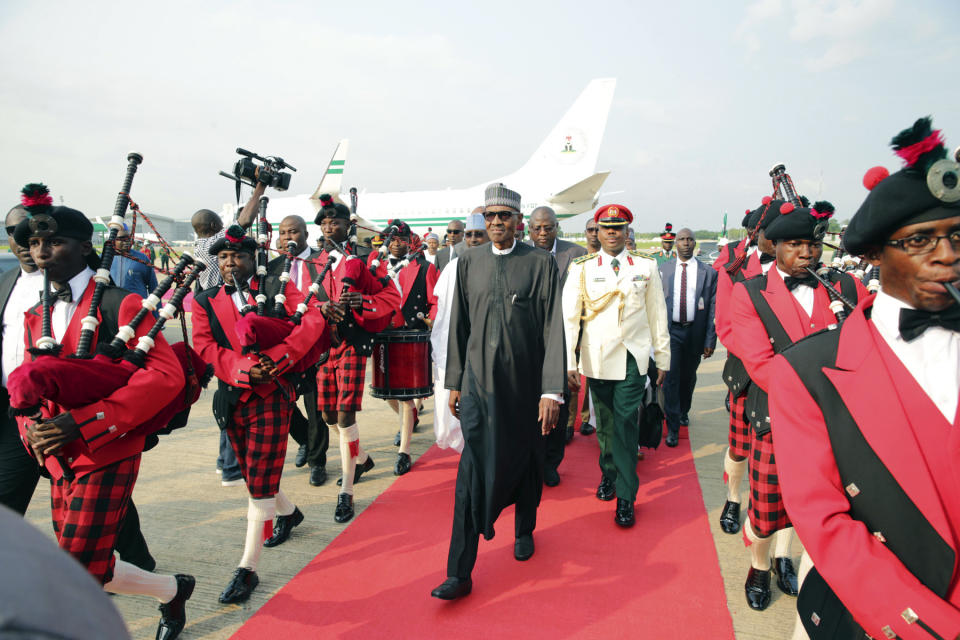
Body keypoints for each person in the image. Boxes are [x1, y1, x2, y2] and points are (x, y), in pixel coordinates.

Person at [772, 116, 960, 639]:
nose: (947, 255)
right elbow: (825, 520)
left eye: (959, 235)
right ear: (875, 253)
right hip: (882, 617)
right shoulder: (808, 372)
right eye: (921, 239)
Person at [13, 197, 194, 640]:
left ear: (84, 248)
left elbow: (165, 379)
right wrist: (32, 429)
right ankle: (171, 590)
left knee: (75, 570)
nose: (41, 251)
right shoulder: (33, 314)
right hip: (57, 455)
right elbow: (29, 386)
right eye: (35, 243)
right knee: (89, 561)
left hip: (107, 448)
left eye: (55, 242)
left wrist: (85, 422)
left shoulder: (120, 302)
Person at [729, 197, 865, 611]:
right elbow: (761, 366)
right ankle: (760, 565)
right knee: (769, 506)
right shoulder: (750, 293)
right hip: (779, 418)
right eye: (795, 245)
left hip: (836, 422)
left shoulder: (843, 285)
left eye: (812, 244)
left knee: (820, 506)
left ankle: (786, 558)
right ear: (775, 245)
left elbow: (863, 348)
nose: (806, 253)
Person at [431, 183, 565, 601]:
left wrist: (551, 391)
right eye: (488, 217)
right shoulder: (467, 263)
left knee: (526, 463)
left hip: (525, 390)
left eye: (503, 217)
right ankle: (459, 572)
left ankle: (524, 529)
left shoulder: (541, 263)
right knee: (469, 475)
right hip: (478, 389)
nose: (495, 224)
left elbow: (553, 330)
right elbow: (458, 328)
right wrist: (454, 381)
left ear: (517, 221)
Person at [192, 224, 328, 604]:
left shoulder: (277, 288)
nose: (230, 262)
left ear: (253, 259)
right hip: (232, 394)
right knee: (253, 472)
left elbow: (311, 323)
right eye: (223, 256)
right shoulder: (205, 300)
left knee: (261, 476)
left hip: (272, 392)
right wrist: (240, 369)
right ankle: (289, 513)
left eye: (237, 255)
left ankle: (247, 568)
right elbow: (203, 345)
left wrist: (276, 360)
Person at [563, 204, 670, 527]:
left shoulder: (645, 267)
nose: (612, 233)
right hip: (596, 359)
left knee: (625, 422)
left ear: (627, 232)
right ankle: (608, 473)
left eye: (618, 228)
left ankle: (626, 494)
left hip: (632, 358)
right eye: (605, 228)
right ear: (596, 231)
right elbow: (570, 319)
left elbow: (657, 315)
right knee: (606, 425)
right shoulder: (581, 268)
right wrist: (569, 360)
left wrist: (662, 356)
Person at [313, 195, 400, 523]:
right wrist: (320, 309)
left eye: (334, 221)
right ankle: (361, 458)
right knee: (328, 416)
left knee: (346, 415)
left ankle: (346, 490)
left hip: (352, 341)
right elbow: (302, 300)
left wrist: (361, 299)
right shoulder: (314, 260)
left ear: (349, 224)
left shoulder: (368, 258)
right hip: (324, 344)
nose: (328, 227)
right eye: (323, 223)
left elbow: (392, 296)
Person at [192, 187, 261, 487]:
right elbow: (241, 226)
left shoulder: (198, 247)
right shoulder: (216, 246)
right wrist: (259, 189)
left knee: (229, 395)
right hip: (222, 316)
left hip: (221, 319)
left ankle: (226, 462)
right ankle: (231, 465)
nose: (229, 260)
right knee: (233, 396)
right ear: (212, 229)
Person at [370, 220, 439, 475]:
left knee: (407, 395)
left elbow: (434, 301)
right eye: (392, 238)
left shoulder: (425, 267)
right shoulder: (376, 268)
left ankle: (404, 452)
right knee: (387, 392)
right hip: (384, 334)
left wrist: (429, 321)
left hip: (411, 334)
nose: (396, 243)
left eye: (401, 239)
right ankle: (409, 417)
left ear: (410, 240)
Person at [267, 215, 330, 488]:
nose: (287, 237)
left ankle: (318, 462)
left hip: (317, 343)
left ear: (305, 233)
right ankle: (304, 439)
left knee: (316, 408)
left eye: (292, 232)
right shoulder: (271, 268)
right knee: (284, 403)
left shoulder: (322, 261)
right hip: (286, 346)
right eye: (282, 233)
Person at [528, 205, 586, 486]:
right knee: (530, 405)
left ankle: (551, 463)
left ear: (556, 228)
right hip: (528, 344)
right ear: (529, 230)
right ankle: (531, 462)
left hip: (564, 343)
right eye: (537, 228)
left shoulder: (575, 254)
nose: (542, 233)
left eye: (548, 227)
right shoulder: (522, 255)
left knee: (559, 407)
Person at [431, 212, 490, 455]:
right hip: (458, 348)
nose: (473, 239)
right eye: (469, 235)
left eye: (478, 235)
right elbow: (444, 316)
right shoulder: (452, 267)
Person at [658, 228, 717, 446]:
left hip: (695, 332)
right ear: (675, 243)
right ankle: (672, 426)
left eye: (689, 239)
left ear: (694, 244)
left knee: (688, 377)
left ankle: (684, 410)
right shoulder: (663, 270)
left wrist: (710, 340)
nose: (685, 243)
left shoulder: (708, 273)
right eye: (681, 239)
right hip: (671, 331)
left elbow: (713, 308)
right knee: (671, 379)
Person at [110, 225, 158, 300]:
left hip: (138, 308)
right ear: (112, 239)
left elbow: (154, 287)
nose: (126, 241)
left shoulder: (142, 259)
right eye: (122, 238)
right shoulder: (102, 260)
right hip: (112, 308)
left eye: (128, 237)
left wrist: (155, 310)